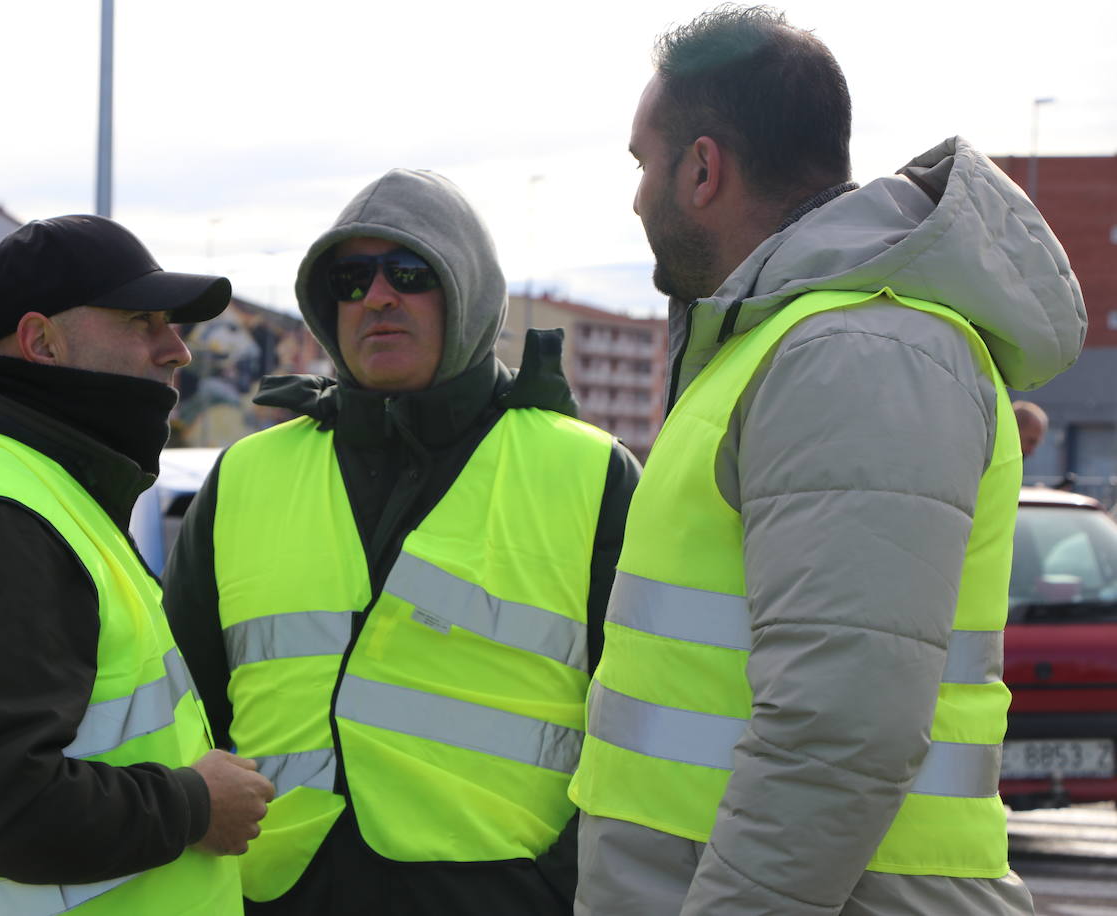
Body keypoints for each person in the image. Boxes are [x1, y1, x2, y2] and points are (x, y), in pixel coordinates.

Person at [569, 7, 1085, 916]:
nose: (636, 196)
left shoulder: (855, 349)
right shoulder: (793, 346)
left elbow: (841, 729)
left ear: (701, 169)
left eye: (643, 164)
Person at [163, 169, 642, 915]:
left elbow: (640, 722)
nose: (377, 297)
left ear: (469, 292)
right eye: (351, 278)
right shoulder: (247, 475)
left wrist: (565, 885)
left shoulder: (589, 472)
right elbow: (183, 705)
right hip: (280, 895)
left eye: (410, 273)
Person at [0, 214, 273, 914]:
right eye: (143, 321)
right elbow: (0, 808)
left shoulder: (35, 491)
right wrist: (195, 804)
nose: (178, 351)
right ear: (41, 341)